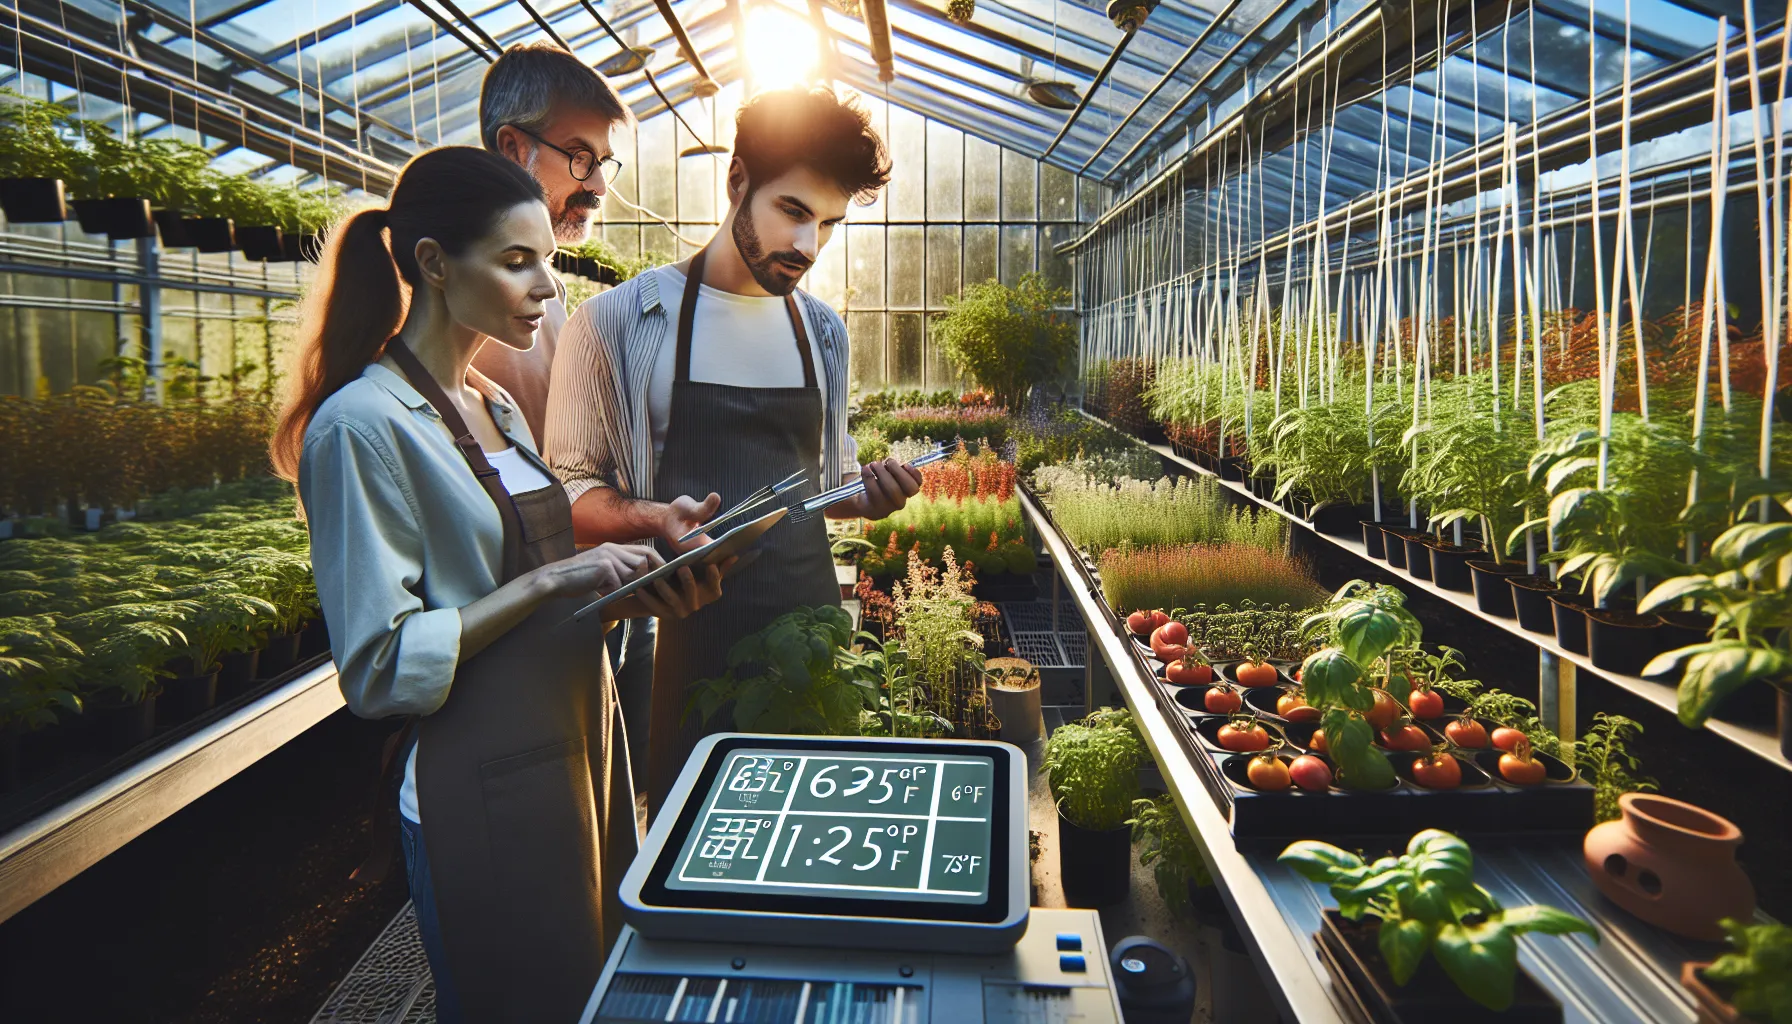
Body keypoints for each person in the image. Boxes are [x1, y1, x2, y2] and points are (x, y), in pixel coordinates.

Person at [273, 147, 726, 1021]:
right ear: (435, 264)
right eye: (517, 262)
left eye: (546, 261)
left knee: (593, 990)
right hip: (477, 778)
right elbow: (377, 666)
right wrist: (554, 579)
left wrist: (643, 584)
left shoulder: (495, 407)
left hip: (578, 751)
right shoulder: (361, 427)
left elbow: (530, 587)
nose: (547, 287)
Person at [545, 87, 923, 812]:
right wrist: (652, 519)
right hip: (688, 643)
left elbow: (830, 482)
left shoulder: (823, 333)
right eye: (793, 212)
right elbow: (568, 493)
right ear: (736, 181)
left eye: (830, 224)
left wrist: (866, 495)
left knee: (817, 837)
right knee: (699, 845)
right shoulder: (620, 321)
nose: (809, 247)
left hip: (814, 644)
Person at [472, 41, 630, 445]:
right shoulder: (469, 295)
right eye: (580, 157)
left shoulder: (546, 290)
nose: (598, 186)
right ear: (513, 148)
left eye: (603, 162)